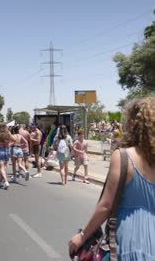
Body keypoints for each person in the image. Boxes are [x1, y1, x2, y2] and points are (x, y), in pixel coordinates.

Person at [69, 96, 155, 260]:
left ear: (133, 124)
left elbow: (106, 206)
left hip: (128, 240)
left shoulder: (123, 156)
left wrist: (82, 235)